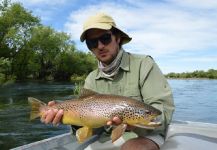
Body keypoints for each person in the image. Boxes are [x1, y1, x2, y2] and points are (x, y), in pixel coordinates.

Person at [41, 13, 175, 150]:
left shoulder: (144, 64)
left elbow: (161, 112)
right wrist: (66, 118)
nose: (99, 46)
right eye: (92, 42)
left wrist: (133, 124)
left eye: (105, 38)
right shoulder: (91, 79)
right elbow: (91, 127)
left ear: (117, 38)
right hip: (107, 138)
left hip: (145, 135)